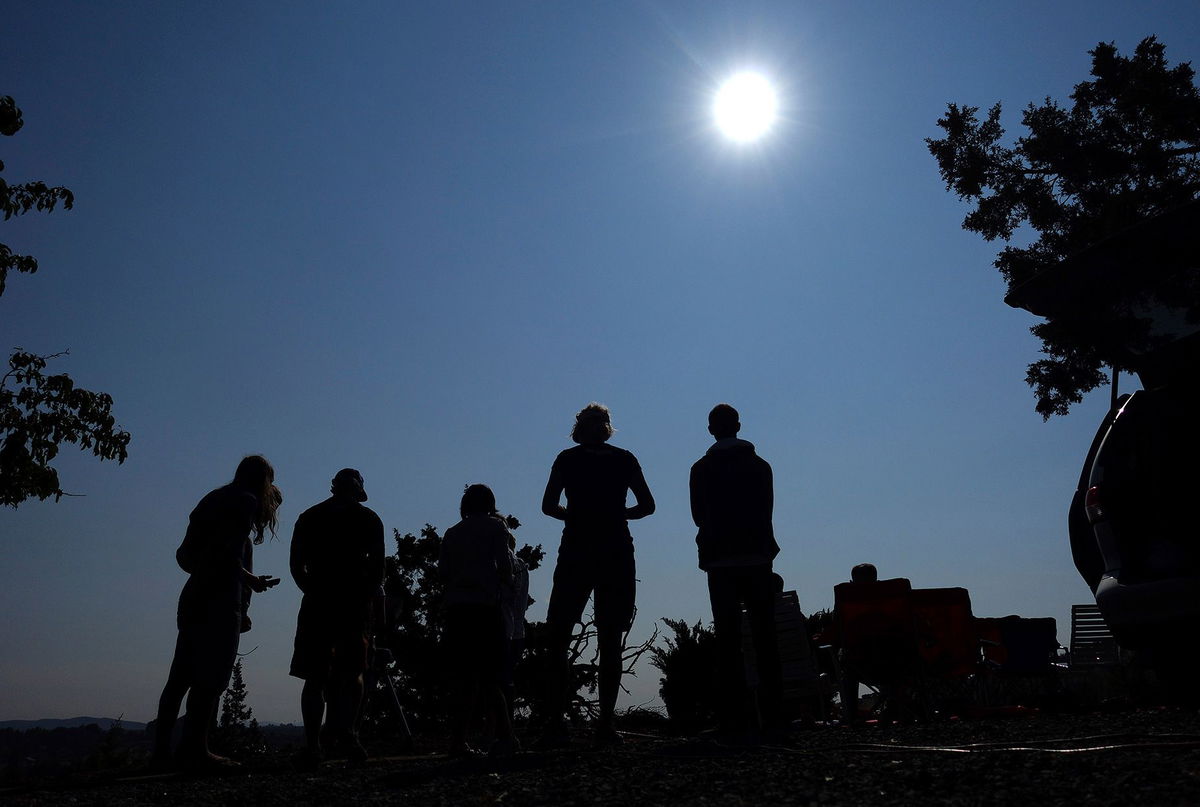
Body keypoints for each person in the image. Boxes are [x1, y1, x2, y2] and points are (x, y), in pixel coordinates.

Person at [152, 455, 282, 770]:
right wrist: (249, 580)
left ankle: (160, 752)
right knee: (210, 681)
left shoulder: (213, 499)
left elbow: (185, 554)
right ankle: (195, 750)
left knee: (180, 676)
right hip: (220, 602)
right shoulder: (246, 501)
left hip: (195, 595)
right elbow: (228, 551)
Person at [541, 403, 655, 745]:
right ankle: (605, 725)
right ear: (607, 427)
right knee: (610, 639)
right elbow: (647, 505)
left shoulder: (567, 459)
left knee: (559, 636)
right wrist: (617, 513)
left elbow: (548, 505)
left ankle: (557, 724)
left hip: (576, 549)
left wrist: (575, 517)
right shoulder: (624, 459)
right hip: (616, 549)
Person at [689, 403, 783, 739]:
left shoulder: (701, 469)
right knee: (765, 636)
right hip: (757, 556)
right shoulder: (761, 466)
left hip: (720, 560)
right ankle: (774, 717)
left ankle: (733, 719)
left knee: (728, 640)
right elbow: (766, 509)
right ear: (739, 426)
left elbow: (698, 514)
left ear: (711, 429)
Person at [289, 468, 385, 767]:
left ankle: (316, 743)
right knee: (352, 672)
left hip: (321, 602)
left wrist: (314, 590)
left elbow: (296, 565)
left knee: (317, 676)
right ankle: (345, 733)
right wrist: (365, 597)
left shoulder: (310, 517)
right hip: (351, 605)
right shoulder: (369, 519)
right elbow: (379, 568)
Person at [439, 483, 518, 757]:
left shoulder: (452, 533)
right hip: (486, 607)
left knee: (465, 677)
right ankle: (506, 735)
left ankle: (458, 740)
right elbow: (505, 567)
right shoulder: (497, 528)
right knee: (491, 677)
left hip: (458, 609)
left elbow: (444, 571)